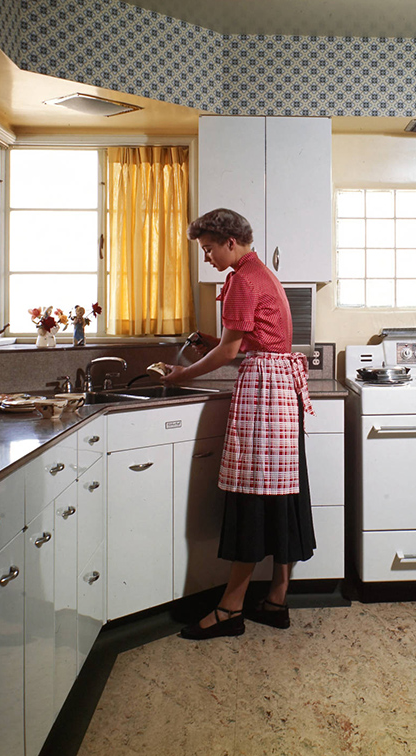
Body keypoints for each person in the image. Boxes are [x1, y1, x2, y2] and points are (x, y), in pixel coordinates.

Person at [158, 208, 316, 640]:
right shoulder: (260, 273)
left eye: (208, 249)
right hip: (279, 388)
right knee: (280, 492)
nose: (206, 257)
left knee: (252, 495)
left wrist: (180, 375)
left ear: (230, 242)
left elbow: (232, 353)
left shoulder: (243, 280)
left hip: (265, 392)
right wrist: (211, 342)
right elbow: (247, 338)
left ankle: (230, 609)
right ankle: (275, 599)